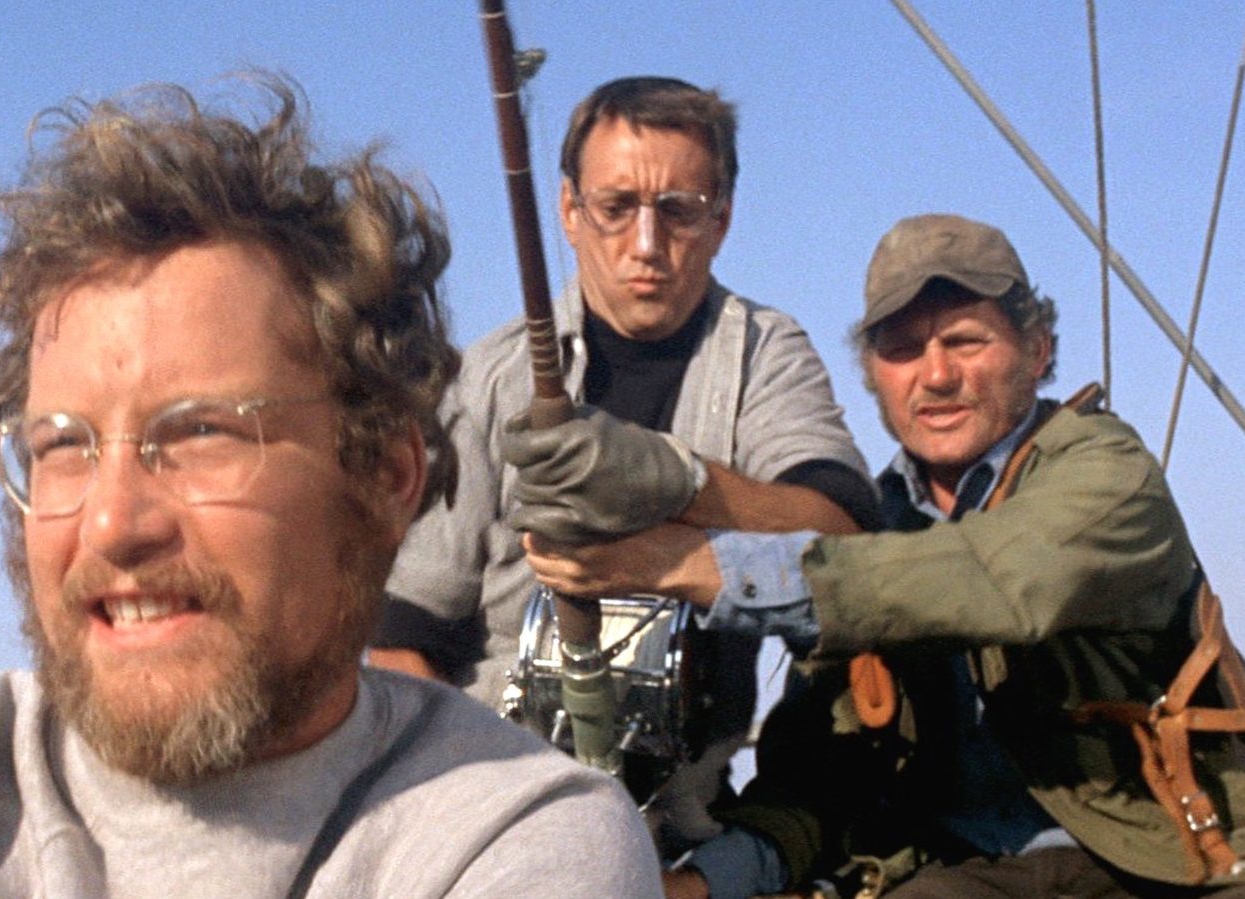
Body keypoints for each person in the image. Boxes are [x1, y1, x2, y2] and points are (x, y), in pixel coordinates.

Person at [0, 75, 663, 898]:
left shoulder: (515, 835)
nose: (111, 522)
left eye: (200, 432)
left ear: (386, 475)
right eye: (63, 445)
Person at [508, 214, 1245, 897]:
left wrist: (685, 562)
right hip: (955, 875)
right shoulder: (873, 531)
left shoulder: (1107, 472)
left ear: (1037, 351)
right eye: (901, 350)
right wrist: (700, 884)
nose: (935, 375)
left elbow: (993, 578)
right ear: (873, 377)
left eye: (965, 340)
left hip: (1169, 862)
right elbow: (819, 779)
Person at [368, 77, 876, 838]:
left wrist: (682, 483)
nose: (646, 245)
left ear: (722, 219)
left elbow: (847, 540)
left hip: (682, 822)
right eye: (616, 207)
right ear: (569, 212)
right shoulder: (486, 379)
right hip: (491, 806)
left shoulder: (768, 354)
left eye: (679, 210)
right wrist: (466, 812)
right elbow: (399, 639)